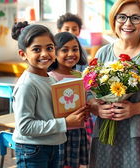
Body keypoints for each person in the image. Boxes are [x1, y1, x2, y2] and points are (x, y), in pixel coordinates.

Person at [88, 0, 140, 168]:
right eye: (122, 17)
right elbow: (88, 92)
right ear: (114, 20)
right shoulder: (103, 52)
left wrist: (134, 109)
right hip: (105, 133)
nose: (128, 23)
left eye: (135, 18)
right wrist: (97, 108)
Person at [11, 21, 86, 167]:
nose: (45, 54)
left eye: (49, 48)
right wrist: (65, 123)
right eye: (37, 49)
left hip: (53, 144)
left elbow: (51, 113)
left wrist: (77, 112)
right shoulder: (27, 84)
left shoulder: (50, 79)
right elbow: (25, 127)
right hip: (32, 149)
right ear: (23, 54)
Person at [48, 32, 90, 168]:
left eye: (75, 49)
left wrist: (87, 109)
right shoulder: (50, 77)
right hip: (59, 132)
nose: (71, 53)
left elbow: (84, 100)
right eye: (64, 50)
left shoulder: (80, 75)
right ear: (54, 52)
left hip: (77, 131)